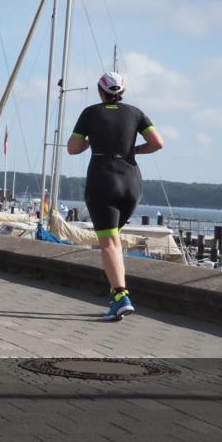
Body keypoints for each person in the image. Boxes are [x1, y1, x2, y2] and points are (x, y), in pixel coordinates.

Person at [67, 71, 164, 321]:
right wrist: (134, 150)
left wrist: (91, 140)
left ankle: (121, 297)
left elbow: (73, 148)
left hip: (103, 181)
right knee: (115, 239)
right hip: (132, 183)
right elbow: (157, 143)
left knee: (108, 243)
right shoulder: (136, 113)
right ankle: (116, 297)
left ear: (101, 91)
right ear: (122, 92)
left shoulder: (90, 113)